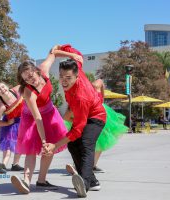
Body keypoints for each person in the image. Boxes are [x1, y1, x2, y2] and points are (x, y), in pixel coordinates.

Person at [44, 44, 106, 198]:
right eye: (61, 77)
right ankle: (92, 181)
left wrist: (55, 145)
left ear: (77, 76)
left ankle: (84, 183)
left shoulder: (80, 97)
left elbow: (77, 130)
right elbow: (75, 53)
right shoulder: (76, 65)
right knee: (72, 144)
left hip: (96, 117)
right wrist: (60, 48)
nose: (64, 81)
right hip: (84, 114)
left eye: (68, 78)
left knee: (85, 144)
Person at [10, 49, 68, 194]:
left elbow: (53, 53)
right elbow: (37, 118)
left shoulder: (44, 70)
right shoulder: (29, 93)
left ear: (36, 70)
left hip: (50, 113)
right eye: (26, 79)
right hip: (32, 119)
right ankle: (26, 182)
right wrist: (43, 141)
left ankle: (41, 181)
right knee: (31, 150)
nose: (30, 80)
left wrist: (68, 53)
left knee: (50, 149)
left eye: (31, 75)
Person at [63, 79, 127, 174]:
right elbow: (67, 116)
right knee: (91, 142)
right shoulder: (89, 88)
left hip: (99, 113)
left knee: (99, 142)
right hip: (93, 113)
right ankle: (84, 165)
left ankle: (90, 165)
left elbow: (101, 88)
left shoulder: (95, 84)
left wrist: (101, 100)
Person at [0, 82, 24, 173]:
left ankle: (15, 164)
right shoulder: (1, 106)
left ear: (7, 86)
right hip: (10, 125)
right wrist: (7, 123)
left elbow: (28, 85)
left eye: (3, 87)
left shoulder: (17, 89)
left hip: (22, 122)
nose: (2, 89)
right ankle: (3, 165)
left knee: (20, 143)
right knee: (8, 146)